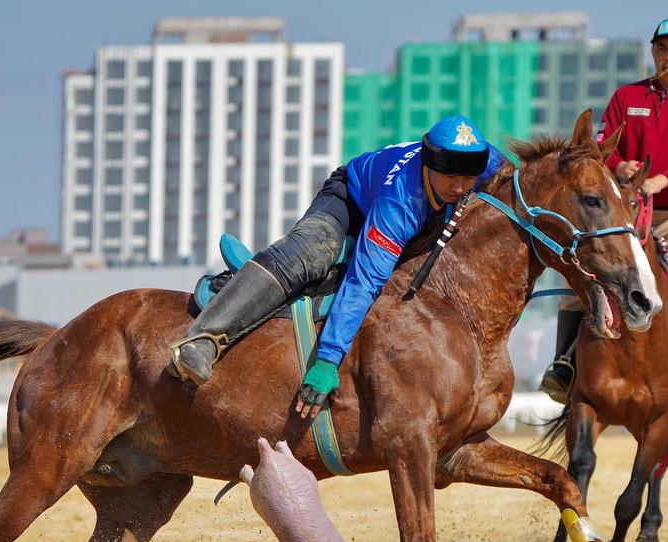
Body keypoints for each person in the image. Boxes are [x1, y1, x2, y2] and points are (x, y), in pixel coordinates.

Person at [170, 115, 507, 416]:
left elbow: (520, 181)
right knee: (313, 252)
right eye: (450, 177)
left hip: (418, 217)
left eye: (468, 177)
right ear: (428, 164)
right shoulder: (399, 205)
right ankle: (205, 337)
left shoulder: (485, 160)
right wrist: (327, 360)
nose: (460, 187)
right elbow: (364, 281)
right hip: (348, 198)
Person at [539, 17, 668, 407]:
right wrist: (620, 165)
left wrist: (660, 181)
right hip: (626, 209)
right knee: (584, 268)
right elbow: (605, 143)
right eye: (662, 48)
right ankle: (564, 363)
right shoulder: (627, 97)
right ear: (653, 52)